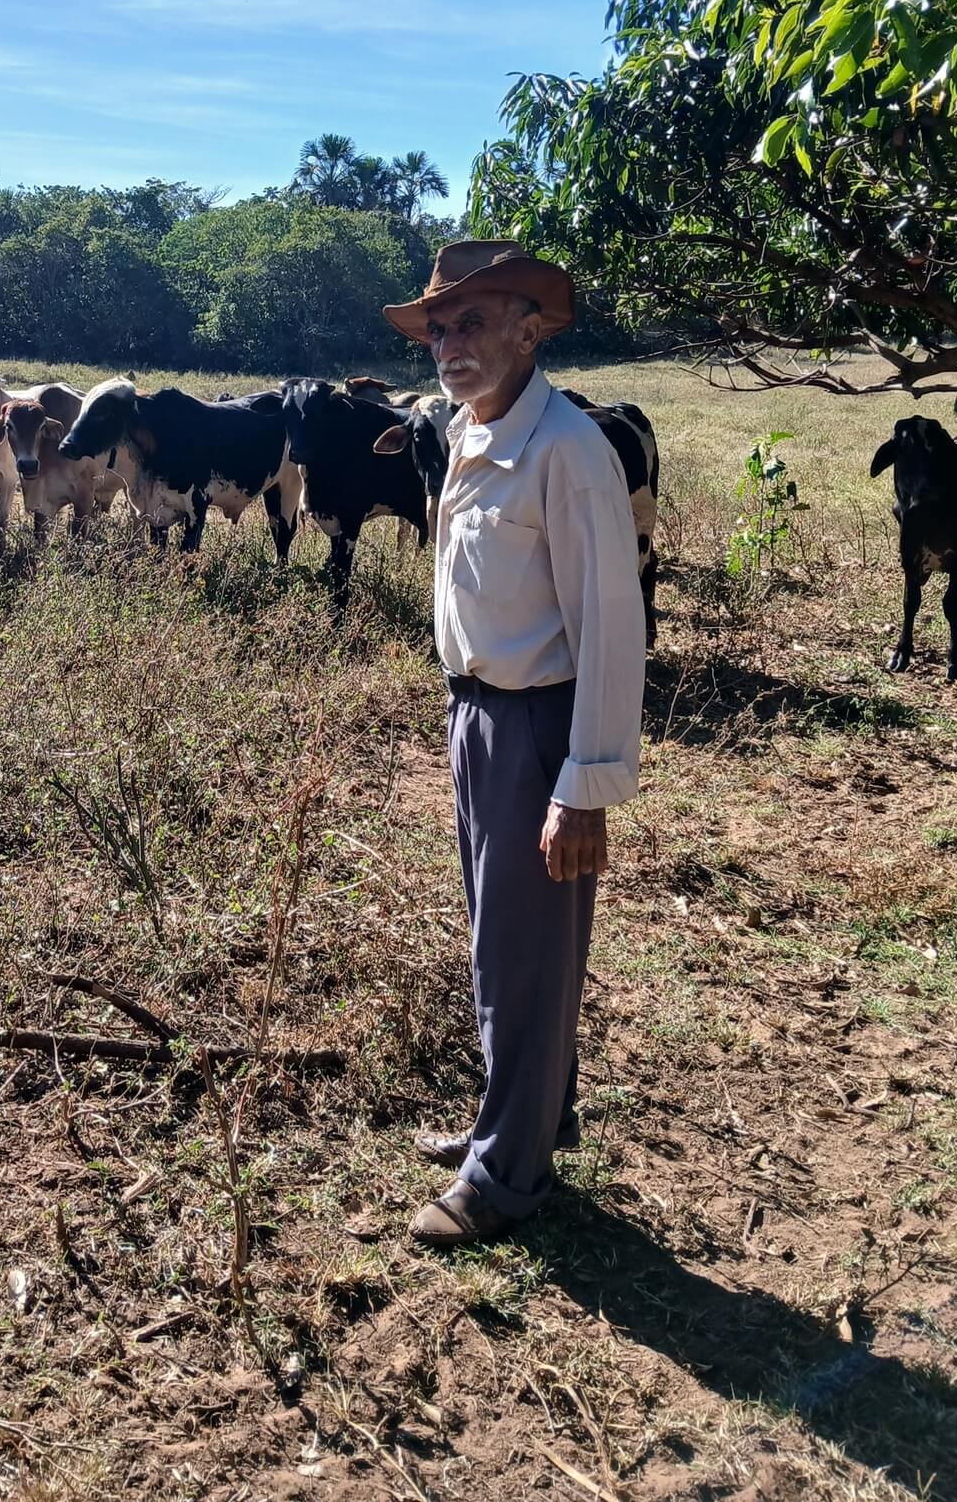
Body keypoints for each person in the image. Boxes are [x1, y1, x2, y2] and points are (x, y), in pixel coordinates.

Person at [382, 239, 647, 1247]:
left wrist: (584, 783)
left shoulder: (568, 451)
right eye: (440, 326)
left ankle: (506, 1179)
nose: (451, 343)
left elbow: (610, 625)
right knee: (501, 943)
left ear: (531, 329)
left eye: (476, 321)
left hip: (540, 721)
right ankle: (526, 1117)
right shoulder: (467, 430)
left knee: (529, 950)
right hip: (476, 713)